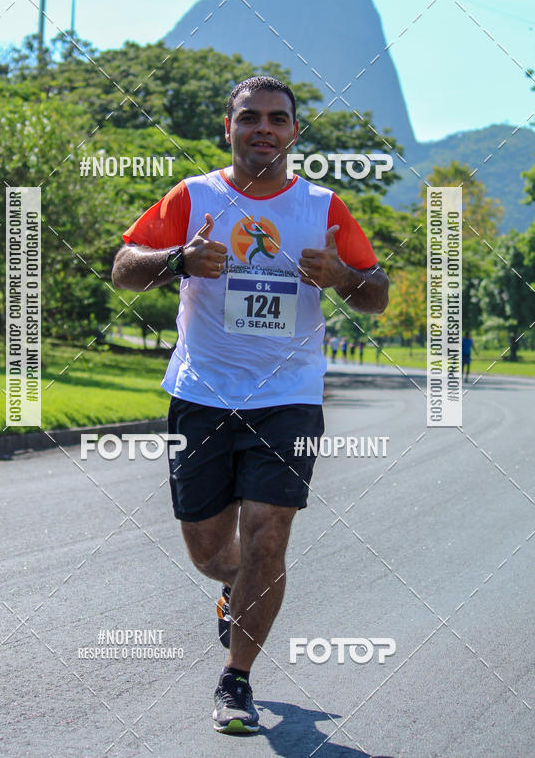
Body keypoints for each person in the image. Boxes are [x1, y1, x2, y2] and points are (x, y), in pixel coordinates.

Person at [111, 76, 389, 735]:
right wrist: (178, 259)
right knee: (211, 552)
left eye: (277, 118)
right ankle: (230, 592)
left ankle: (236, 680)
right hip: (202, 396)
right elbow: (123, 265)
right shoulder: (194, 195)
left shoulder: (324, 207)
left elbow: (375, 292)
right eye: (250, 118)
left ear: (294, 132)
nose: (263, 127)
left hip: (288, 400)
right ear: (228, 129)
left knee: (269, 532)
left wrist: (344, 278)